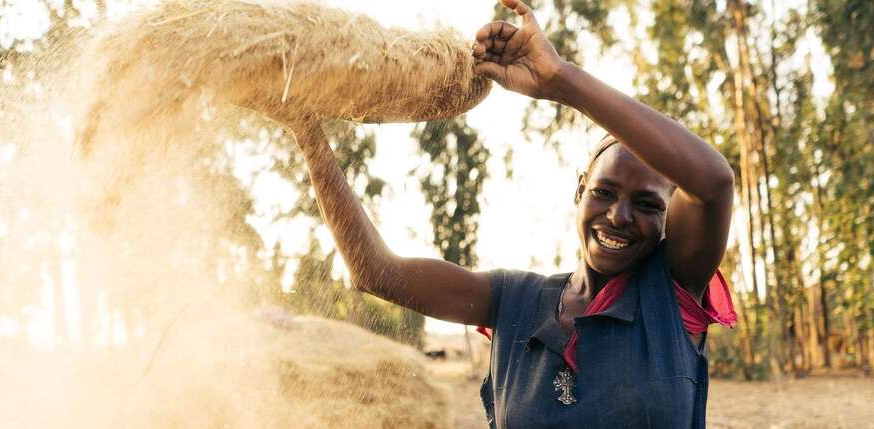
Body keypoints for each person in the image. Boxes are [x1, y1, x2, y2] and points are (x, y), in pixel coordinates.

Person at [288, 0, 736, 427]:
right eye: (604, 192)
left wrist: (559, 81)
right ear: (580, 191)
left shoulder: (674, 295)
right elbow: (377, 273)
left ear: (667, 219)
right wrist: (305, 130)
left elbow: (713, 183)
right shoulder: (513, 301)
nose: (619, 216)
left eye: (647, 205)